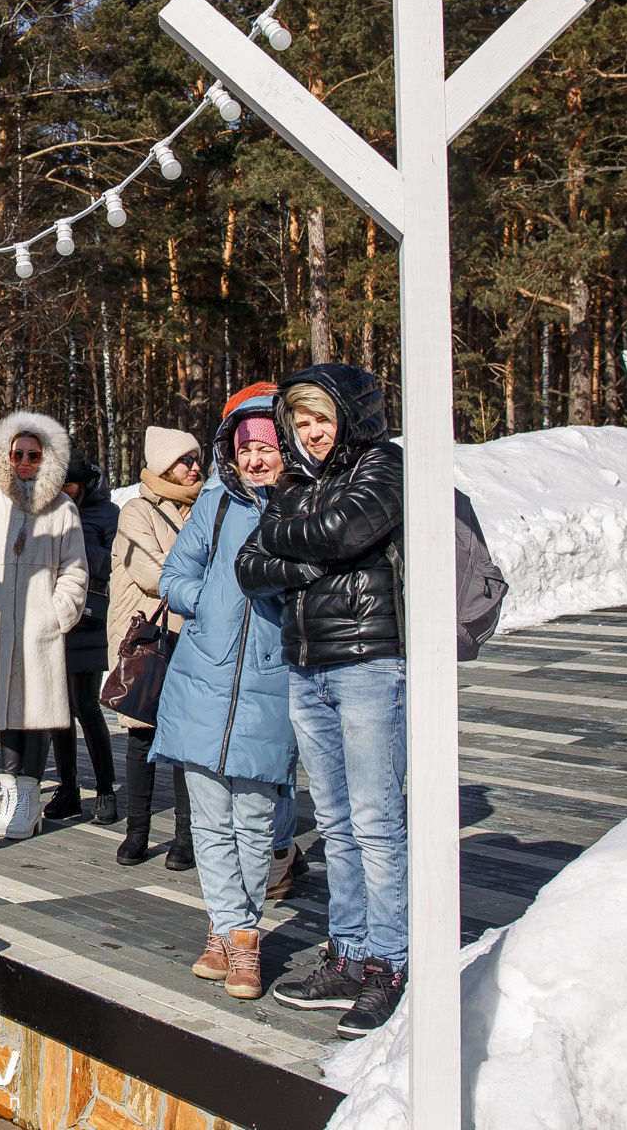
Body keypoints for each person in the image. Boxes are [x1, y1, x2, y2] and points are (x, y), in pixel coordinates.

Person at [236, 363, 407, 1038]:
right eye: (301, 422)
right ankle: (350, 952)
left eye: (322, 419)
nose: (311, 433)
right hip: (308, 668)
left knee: (376, 821)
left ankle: (389, 962)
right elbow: (250, 567)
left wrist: (301, 541)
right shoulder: (295, 485)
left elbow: (345, 530)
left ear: (350, 418)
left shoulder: (382, 465)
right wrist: (313, 557)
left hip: (369, 663)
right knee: (336, 822)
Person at [153, 386, 292, 999]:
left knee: (254, 820)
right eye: (246, 448)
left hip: (270, 681)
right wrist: (204, 600)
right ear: (230, 453)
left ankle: (236, 931)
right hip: (202, 680)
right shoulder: (213, 504)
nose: (255, 459)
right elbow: (173, 576)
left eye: (267, 447)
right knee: (210, 821)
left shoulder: (302, 508)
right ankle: (233, 932)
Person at [0, 411, 88, 841]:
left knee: (37, 712)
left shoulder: (63, 509)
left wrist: (57, 613)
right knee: (4, 712)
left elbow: (75, 570)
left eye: (34, 455)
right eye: (18, 454)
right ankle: (10, 792)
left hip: (38, 629)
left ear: (47, 458)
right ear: (5, 456)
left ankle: (29, 798)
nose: (25, 462)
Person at [105, 427, 203, 866]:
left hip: (193, 636)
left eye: (197, 459)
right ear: (164, 465)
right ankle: (137, 832)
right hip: (149, 639)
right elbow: (150, 571)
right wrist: (202, 577)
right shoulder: (136, 511)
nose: (195, 467)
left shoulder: (204, 508)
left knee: (185, 739)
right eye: (186, 460)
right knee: (142, 736)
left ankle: (186, 836)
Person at [49, 450, 119, 823]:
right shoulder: (48, 510)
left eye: (69, 484)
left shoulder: (106, 513)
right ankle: (68, 789)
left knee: (87, 707)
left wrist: (72, 544)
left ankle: (105, 790)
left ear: (83, 483)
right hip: (54, 618)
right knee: (58, 711)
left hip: (90, 621)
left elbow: (115, 562)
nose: (63, 490)